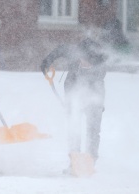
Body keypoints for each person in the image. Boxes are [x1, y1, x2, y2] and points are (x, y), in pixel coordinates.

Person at [41, 38, 107, 175]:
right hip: (72, 91)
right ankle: (74, 162)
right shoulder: (74, 52)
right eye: (81, 59)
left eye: (86, 61)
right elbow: (60, 49)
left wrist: (95, 104)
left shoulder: (99, 66)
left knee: (93, 130)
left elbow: (93, 88)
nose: (83, 62)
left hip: (94, 96)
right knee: (74, 129)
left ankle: (90, 161)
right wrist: (47, 61)